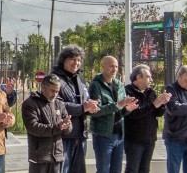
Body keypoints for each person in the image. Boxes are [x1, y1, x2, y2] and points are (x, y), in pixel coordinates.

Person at [51, 45, 99, 173]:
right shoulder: (55, 79)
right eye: (72, 59)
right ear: (63, 60)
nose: (76, 63)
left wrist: (89, 108)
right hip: (63, 136)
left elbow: (84, 103)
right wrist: (82, 107)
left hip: (80, 135)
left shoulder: (81, 81)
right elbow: (56, 104)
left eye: (78, 60)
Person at [88, 56, 136, 173]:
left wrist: (127, 109)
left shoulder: (119, 84)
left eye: (116, 66)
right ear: (103, 66)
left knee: (116, 170)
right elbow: (96, 111)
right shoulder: (96, 85)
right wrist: (118, 105)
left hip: (119, 135)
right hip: (103, 135)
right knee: (103, 169)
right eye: (111, 66)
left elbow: (119, 111)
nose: (114, 69)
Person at [123, 64, 171, 173]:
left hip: (149, 139)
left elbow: (157, 113)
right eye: (148, 77)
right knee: (132, 169)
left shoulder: (150, 92)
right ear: (138, 77)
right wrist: (154, 104)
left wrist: (162, 103)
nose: (151, 79)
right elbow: (133, 114)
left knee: (145, 169)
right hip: (134, 140)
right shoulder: (128, 92)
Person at [22, 74, 72, 173]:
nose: (55, 94)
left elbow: (68, 128)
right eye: (52, 91)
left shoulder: (59, 103)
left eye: (57, 91)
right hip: (39, 156)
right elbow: (33, 127)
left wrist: (67, 127)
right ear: (43, 88)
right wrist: (58, 127)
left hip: (57, 156)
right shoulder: (30, 104)